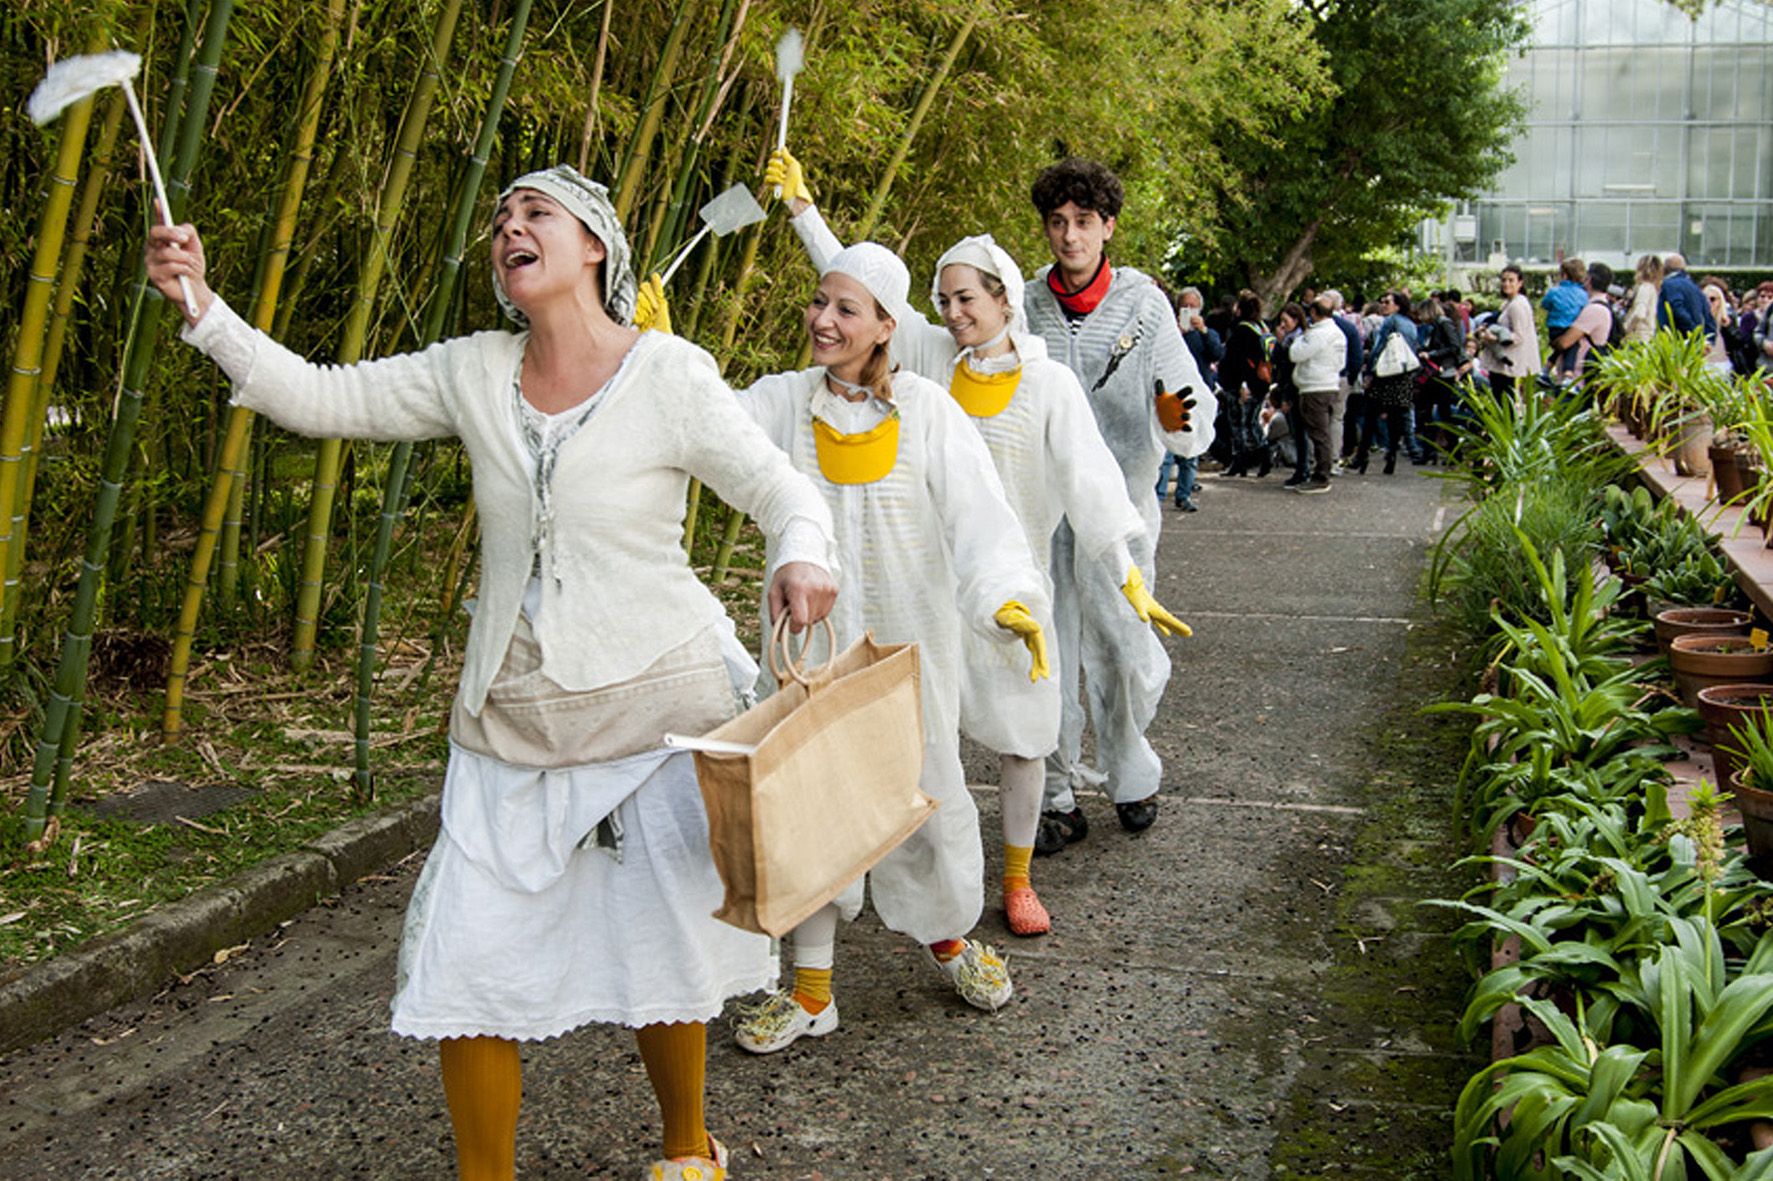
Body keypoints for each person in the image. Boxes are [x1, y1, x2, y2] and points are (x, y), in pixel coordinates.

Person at [146, 167, 841, 1181]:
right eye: (501, 217)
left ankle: (689, 1149)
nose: (509, 225)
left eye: (535, 213)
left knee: (665, 946)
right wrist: (203, 308)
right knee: (466, 956)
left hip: (654, 705)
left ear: (594, 246)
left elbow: (783, 489)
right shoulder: (473, 369)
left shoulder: (672, 373)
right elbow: (322, 397)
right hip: (509, 711)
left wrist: (802, 553)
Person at [761, 148, 1188, 937]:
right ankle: (892, 881)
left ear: (1001, 300)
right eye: (942, 300)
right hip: (927, 585)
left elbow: (1093, 484)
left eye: (966, 298)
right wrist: (802, 210)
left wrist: (1126, 577)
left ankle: (1019, 877)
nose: (952, 312)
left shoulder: (1046, 381)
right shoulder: (928, 364)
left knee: (1024, 733)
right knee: (922, 746)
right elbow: (860, 290)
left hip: (1012, 585)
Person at [729, 224, 1055, 1054]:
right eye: (818, 301)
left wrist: (1007, 599)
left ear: (885, 325)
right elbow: (707, 430)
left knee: (923, 789)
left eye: (846, 308)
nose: (823, 319)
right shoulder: (780, 400)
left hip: (915, 646)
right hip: (815, 644)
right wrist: (646, 346)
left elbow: (981, 519)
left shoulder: (928, 408)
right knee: (811, 798)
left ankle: (948, 939)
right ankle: (809, 989)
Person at [1024, 157, 1210, 850]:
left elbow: (1186, 403)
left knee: (1126, 647)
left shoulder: (1142, 302)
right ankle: (1056, 791)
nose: (1069, 236)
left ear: (1107, 226)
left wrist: (1174, 412)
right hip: (1043, 508)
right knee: (1045, 649)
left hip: (1122, 507)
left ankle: (1131, 773)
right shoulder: (1024, 302)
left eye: (1082, 221)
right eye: (1056, 222)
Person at [1165, 286, 1221, 512]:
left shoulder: (1208, 333)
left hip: (1197, 393)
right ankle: (1159, 494)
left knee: (1191, 450)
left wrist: (1204, 331)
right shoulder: (1169, 331)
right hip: (1171, 394)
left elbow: (1217, 354)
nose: (1188, 310)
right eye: (1184, 306)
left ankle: (1184, 493)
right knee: (1167, 450)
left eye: (1193, 306)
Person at [1352, 291, 1419, 475]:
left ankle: (1362, 456)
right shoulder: (1412, 325)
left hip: (1385, 374)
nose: (1384, 305)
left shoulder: (1390, 322)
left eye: (1388, 302)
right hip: (1403, 375)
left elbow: (1379, 346)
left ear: (1398, 305)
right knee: (1395, 417)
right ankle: (1391, 456)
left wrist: (1369, 371)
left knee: (1371, 416)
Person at [1287, 295, 1343, 494]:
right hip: (1329, 384)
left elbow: (1296, 354)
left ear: (1313, 312)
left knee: (1319, 434)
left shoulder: (1318, 334)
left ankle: (1321, 475)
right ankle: (1322, 471)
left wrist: (1300, 339)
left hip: (1314, 387)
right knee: (1323, 432)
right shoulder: (1337, 333)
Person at [1218, 291, 1275, 477]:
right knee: (1252, 422)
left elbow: (1238, 360)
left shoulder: (1241, 330)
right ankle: (1264, 455)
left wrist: (1242, 384)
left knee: (1238, 424)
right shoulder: (1262, 328)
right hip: (1260, 382)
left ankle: (1240, 461)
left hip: (1241, 384)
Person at [1412, 297, 1463, 462]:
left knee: (1442, 412)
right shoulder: (1436, 326)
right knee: (1430, 412)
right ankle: (1433, 451)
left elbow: (1454, 347)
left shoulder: (1443, 324)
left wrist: (1431, 354)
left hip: (1442, 374)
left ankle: (1449, 451)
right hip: (1436, 374)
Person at [1478, 264, 1540, 398]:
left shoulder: (1517, 305)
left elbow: (1519, 336)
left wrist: (1494, 338)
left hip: (1509, 364)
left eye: (1511, 280)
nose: (1507, 284)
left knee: (1505, 400)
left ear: (1520, 283)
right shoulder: (1508, 303)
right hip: (1502, 364)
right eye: (1504, 280)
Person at [1551, 261, 1616, 378]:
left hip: (1578, 380)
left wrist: (1554, 340)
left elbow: (1564, 342)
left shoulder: (1594, 310)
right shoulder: (1596, 306)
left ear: (1589, 280)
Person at [1269, 302, 1308, 487]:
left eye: (1286, 321)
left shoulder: (1298, 341)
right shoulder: (1287, 339)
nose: (1283, 325)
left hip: (1294, 389)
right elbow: (1275, 360)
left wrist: (1287, 397)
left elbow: (1288, 367)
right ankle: (1302, 468)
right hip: (1287, 387)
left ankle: (1303, 469)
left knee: (1299, 432)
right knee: (1296, 431)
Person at [1658, 253, 1717, 341]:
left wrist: (1693, 333)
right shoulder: (1695, 288)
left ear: (1664, 269)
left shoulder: (1668, 285)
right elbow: (1708, 315)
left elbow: (1677, 309)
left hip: (1677, 340)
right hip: (1696, 343)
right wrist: (1708, 340)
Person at [1622, 254, 1663, 342]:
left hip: (1637, 337)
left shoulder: (1645, 288)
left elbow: (1639, 313)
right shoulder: (1652, 288)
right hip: (1647, 336)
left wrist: (1625, 329)